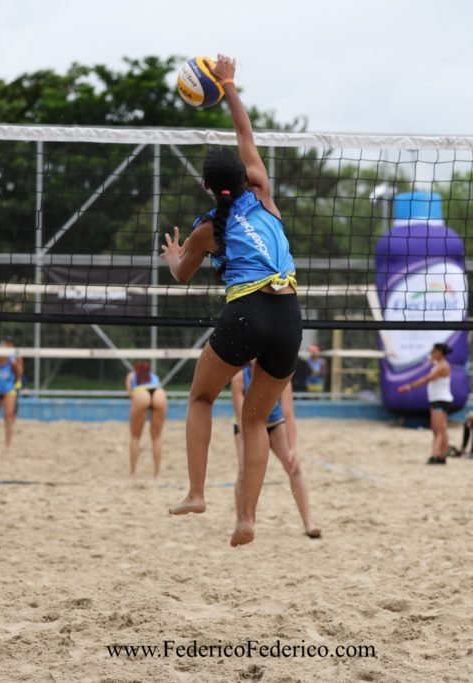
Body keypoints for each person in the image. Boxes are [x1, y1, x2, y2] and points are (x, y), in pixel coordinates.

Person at [160, 54, 301, 547]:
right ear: (243, 177)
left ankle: (197, 493)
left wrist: (174, 257)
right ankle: (247, 519)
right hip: (289, 318)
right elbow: (245, 132)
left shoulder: (206, 230)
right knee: (256, 420)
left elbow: (181, 275)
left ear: (207, 187)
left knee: (201, 398)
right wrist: (228, 84)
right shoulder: (262, 192)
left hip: (246, 314)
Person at [231, 361, 320, 538]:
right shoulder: (239, 379)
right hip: (248, 426)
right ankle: (241, 522)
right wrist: (252, 449)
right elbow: (242, 420)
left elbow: (289, 415)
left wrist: (293, 448)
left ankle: (308, 523)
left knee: (294, 468)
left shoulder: (281, 376)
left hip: (274, 423)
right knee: (244, 472)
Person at [398, 343, 454, 465]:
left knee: (437, 429)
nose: (432, 353)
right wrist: (431, 360)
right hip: (438, 399)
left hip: (440, 399)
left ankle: (435, 455)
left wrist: (410, 386)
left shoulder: (442, 366)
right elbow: (432, 365)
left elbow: (427, 378)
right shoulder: (439, 364)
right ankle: (442, 455)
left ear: (440, 353)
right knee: (442, 429)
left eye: (434, 351)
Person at [125, 362, 168, 478]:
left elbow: (130, 393)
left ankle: (133, 473)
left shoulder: (131, 375)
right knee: (157, 437)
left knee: (135, 437)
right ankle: (157, 474)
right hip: (158, 394)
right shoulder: (153, 376)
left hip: (141, 394)